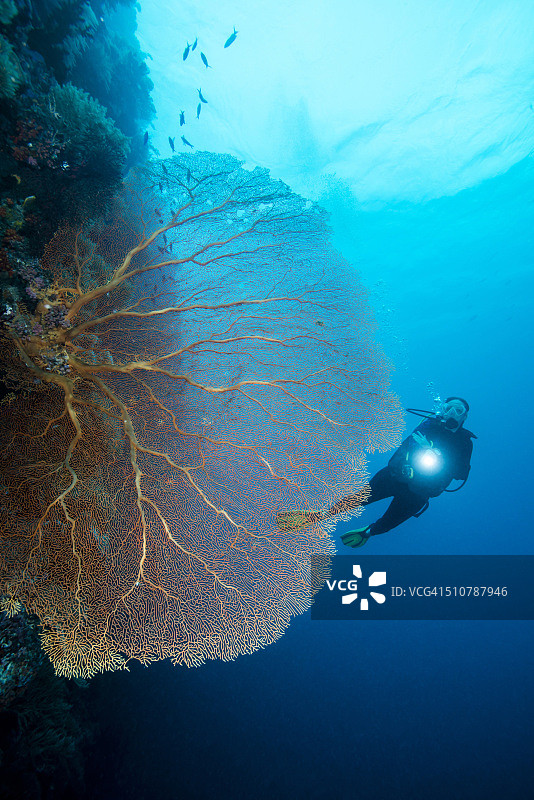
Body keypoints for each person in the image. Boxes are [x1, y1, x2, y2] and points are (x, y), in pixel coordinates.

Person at [276, 397, 476, 547]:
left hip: (420, 493)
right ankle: (321, 514)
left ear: (464, 416)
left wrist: (437, 455)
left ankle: (367, 532)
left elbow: (461, 474)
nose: (452, 413)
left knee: (388, 523)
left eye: (458, 410)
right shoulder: (429, 424)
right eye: (448, 408)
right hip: (396, 477)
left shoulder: (465, 443)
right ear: (442, 409)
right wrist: (404, 466)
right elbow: (404, 448)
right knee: (357, 499)